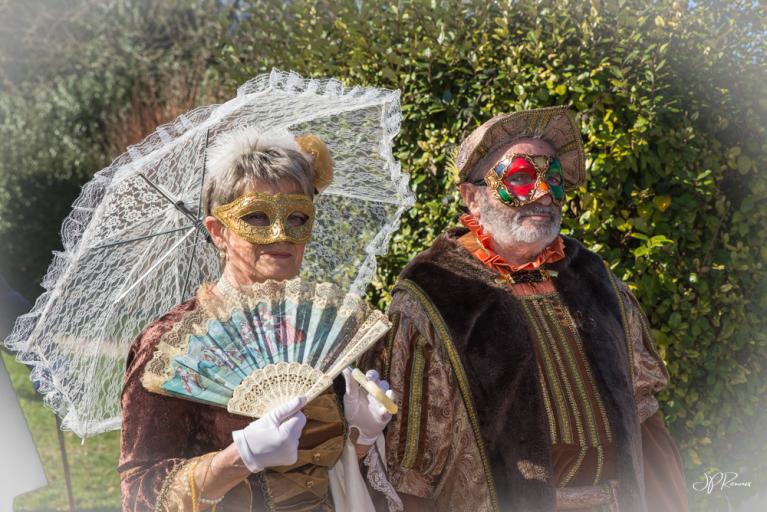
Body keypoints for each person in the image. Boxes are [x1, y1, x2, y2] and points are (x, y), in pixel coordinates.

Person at [361, 106, 688, 511]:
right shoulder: (434, 294)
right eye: (519, 178)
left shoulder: (593, 277)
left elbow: (645, 414)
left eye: (554, 179)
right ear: (472, 198)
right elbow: (409, 470)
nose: (544, 194)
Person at [119, 129, 394, 511]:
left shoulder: (320, 334)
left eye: (297, 216)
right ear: (218, 232)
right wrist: (239, 458)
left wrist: (361, 438)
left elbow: (330, 475)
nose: (281, 234)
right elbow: (139, 495)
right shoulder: (170, 344)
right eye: (257, 217)